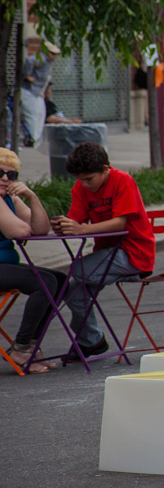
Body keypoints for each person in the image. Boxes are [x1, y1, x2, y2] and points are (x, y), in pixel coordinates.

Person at [53, 142, 156, 361]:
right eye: (80, 179)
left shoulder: (122, 180)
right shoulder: (81, 188)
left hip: (134, 252)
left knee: (78, 269)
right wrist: (65, 225)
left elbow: (120, 224)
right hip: (107, 253)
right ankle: (92, 341)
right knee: (72, 291)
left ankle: (90, 340)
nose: (85, 184)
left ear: (106, 169)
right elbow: (76, 220)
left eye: (89, 178)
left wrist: (82, 229)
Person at [0, 147, 65, 374]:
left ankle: (31, 346)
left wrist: (32, 196)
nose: (5, 179)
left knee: (60, 279)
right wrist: (23, 225)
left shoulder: (10, 198)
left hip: (5, 265)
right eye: (0, 173)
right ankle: (20, 347)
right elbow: (19, 231)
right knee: (44, 282)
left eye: (12, 175)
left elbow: (40, 228)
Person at [21, 38, 60, 146]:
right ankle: (32, 139)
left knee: (40, 115)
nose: (54, 57)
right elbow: (29, 61)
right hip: (30, 92)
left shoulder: (47, 62)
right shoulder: (41, 58)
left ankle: (36, 140)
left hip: (38, 93)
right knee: (33, 116)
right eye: (52, 54)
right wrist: (27, 75)